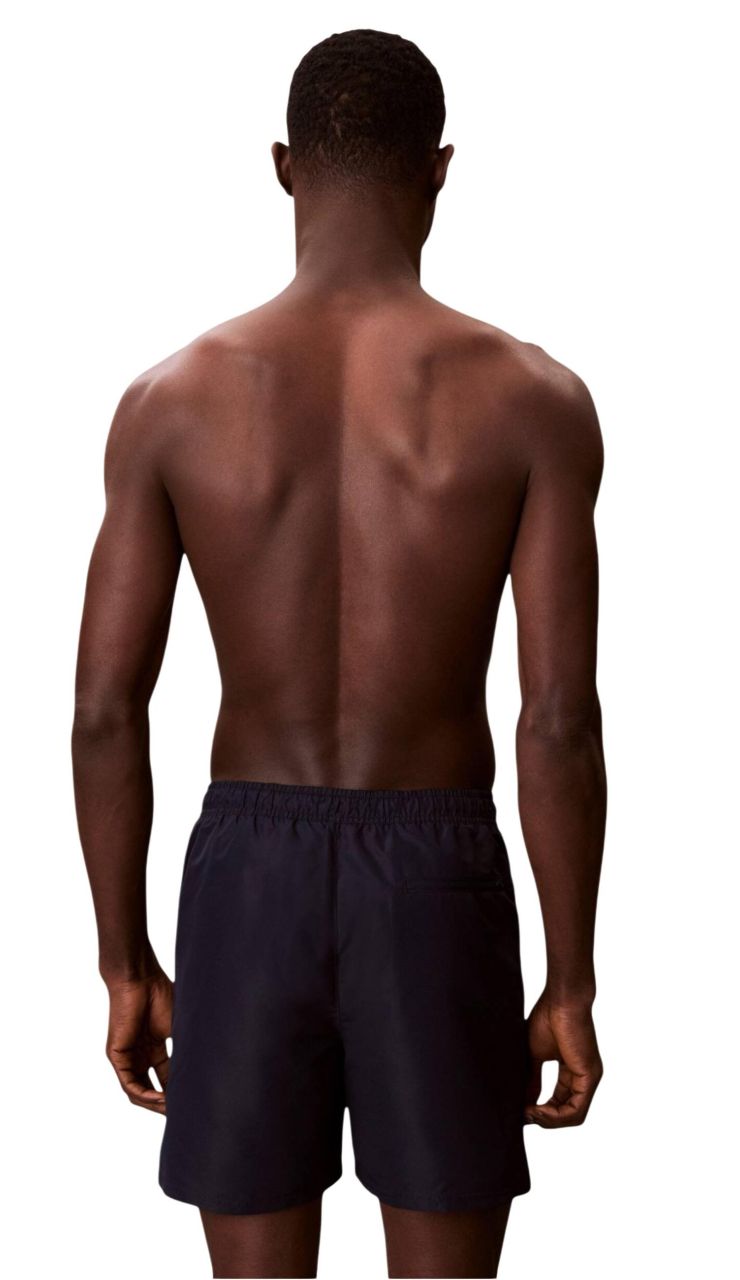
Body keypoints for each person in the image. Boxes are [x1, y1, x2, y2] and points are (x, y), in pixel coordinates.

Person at [71, 27, 606, 1280]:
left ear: (282, 168)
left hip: (246, 875)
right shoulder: (532, 399)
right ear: (439, 169)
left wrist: (123, 958)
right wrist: (570, 977)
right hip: (436, 871)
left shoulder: (170, 401)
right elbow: (557, 717)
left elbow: (103, 708)